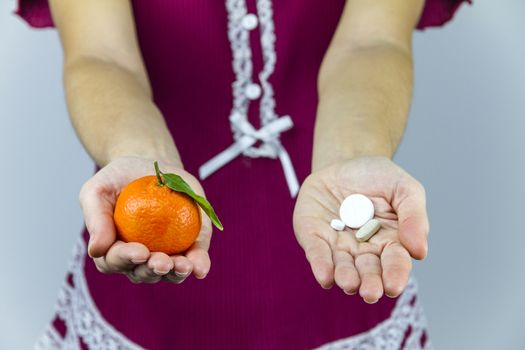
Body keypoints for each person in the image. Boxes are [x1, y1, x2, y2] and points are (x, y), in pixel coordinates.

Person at [16, 0, 470, 349]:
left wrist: (352, 155)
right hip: (152, 249)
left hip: (342, 257)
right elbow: (101, 55)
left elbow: (373, 42)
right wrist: (146, 169)